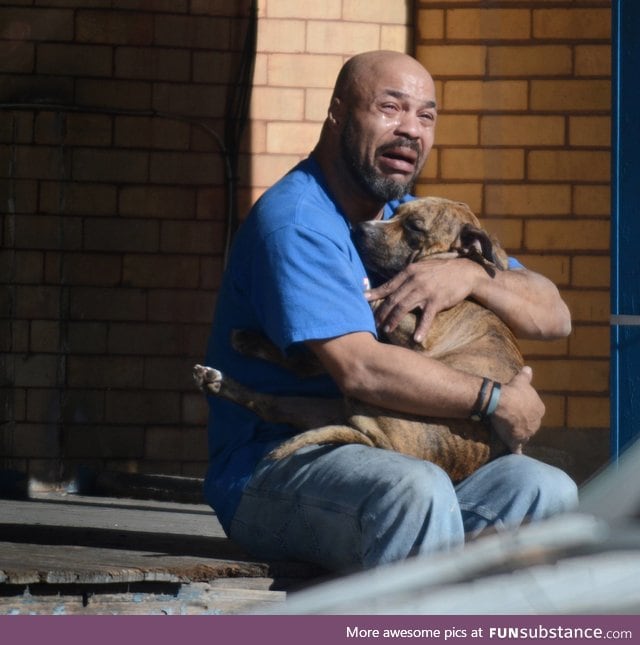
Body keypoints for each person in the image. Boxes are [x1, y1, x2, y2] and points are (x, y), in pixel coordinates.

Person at [203, 50, 578, 572]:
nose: (411, 130)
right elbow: (361, 370)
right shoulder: (298, 222)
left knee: (544, 489)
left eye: (426, 116)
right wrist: (495, 401)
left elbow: (553, 316)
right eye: (390, 108)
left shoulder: (412, 221)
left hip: (407, 449)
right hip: (281, 464)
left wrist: (469, 275)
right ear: (337, 112)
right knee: (413, 491)